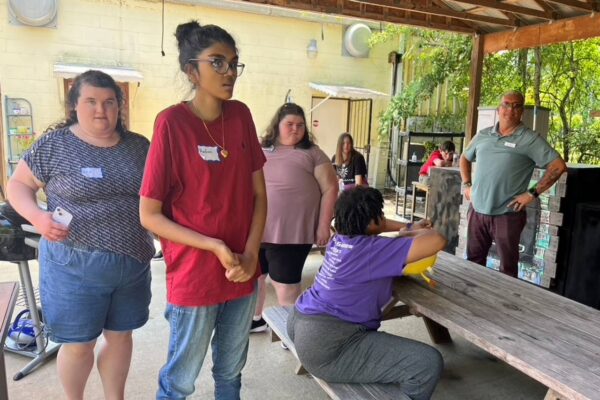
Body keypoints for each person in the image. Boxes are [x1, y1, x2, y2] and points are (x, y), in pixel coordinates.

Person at [7, 70, 154, 400]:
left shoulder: (138, 147)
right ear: (75, 105)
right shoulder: (55, 145)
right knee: (78, 343)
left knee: (120, 336)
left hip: (132, 264)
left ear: (119, 107)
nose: (101, 110)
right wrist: (37, 216)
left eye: (109, 102)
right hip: (73, 265)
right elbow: (17, 185)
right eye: (91, 102)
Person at [139, 21, 267, 399]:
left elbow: (260, 196)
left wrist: (251, 253)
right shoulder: (171, 124)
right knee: (180, 382)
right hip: (194, 277)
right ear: (191, 71)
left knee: (231, 373)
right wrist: (213, 246)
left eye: (233, 63)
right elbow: (149, 214)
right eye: (218, 63)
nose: (229, 73)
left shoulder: (241, 116)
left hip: (242, 272)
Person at [287, 187, 446, 400]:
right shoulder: (372, 250)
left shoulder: (340, 239)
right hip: (330, 346)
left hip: (301, 322)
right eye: (380, 214)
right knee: (426, 363)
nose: (384, 217)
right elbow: (437, 239)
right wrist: (409, 229)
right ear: (372, 222)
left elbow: (384, 232)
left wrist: (407, 228)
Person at [250, 103, 338, 333]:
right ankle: (254, 319)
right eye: (289, 124)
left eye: (300, 125)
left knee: (286, 287)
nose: (295, 129)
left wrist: (323, 225)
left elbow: (330, 189)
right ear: (277, 126)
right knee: (254, 278)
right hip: (257, 229)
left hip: (293, 232)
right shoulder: (260, 149)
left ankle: (296, 333)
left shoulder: (313, 153)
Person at [460, 91, 567, 277]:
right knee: (473, 264)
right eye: (506, 104)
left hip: (507, 215)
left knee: (507, 270)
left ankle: (505, 306)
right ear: (499, 108)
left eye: (517, 105)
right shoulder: (483, 135)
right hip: (477, 211)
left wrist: (531, 194)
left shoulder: (530, 139)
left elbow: (558, 166)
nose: (511, 109)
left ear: (522, 111)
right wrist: (466, 185)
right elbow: (464, 157)